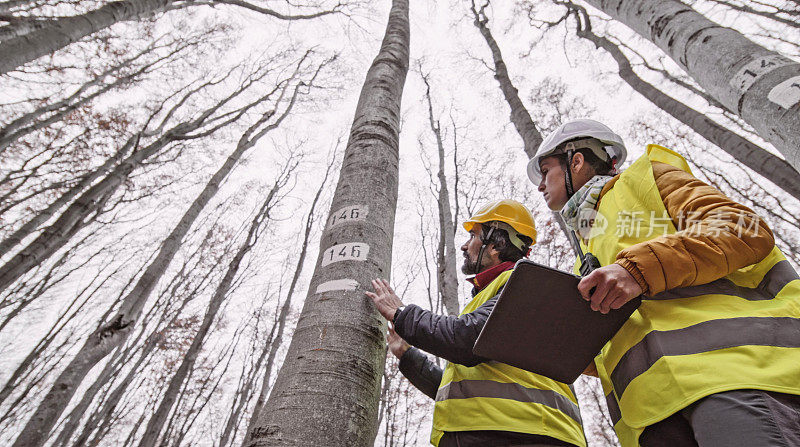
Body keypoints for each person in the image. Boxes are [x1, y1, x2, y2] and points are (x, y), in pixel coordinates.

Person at [528, 118, 800, 446]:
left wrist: (637, 271)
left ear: (577, 161)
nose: (540, 185)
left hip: (736, 376)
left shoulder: (645, 180)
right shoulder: (587, 252)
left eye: (545, 171)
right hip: (653, 420)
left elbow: (743, 229)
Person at [366, 199, 587, 447]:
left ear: (496, 245)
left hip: (524, 433)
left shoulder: (524, 284)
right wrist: (407, 355)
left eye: (473, 235)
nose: (463, 245)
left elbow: (467, 339)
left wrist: (402, 314)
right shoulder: (493, 295)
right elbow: (463, 389)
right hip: (510, 429)